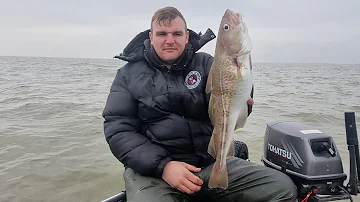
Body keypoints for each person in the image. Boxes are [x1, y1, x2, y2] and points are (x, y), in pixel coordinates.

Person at [102, 6, 297, 202]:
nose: (170, 40)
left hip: (208, 163)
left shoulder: (207, 63)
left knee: (284, 189)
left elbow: (227, 103)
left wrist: (245, 101)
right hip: (154, 173)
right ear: (151, 37)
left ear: (187, 36)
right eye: (162, 34)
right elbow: (118, 129)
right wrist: (164, 166)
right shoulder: (127, 75)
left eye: (177, 33)